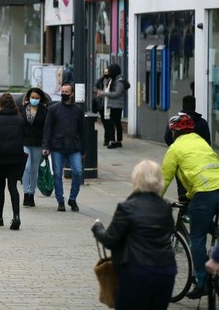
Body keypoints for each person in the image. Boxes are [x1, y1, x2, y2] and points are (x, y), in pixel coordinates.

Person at [92, 160, 176, 309]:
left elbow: (110, 240)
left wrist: (97, 227)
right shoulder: (165, 207)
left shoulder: (126, 208)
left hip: (136, 271)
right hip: (165, 270)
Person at [161, 113, 219, 299]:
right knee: (204, 221)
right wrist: (188, 195)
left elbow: (163, 179)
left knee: (197, 236)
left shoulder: (175, 149)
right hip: (214, 187)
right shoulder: (201, 141)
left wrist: (150, 201)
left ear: (175, 131)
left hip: (205, 192)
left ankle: (202, 282)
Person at [0, 93, 25, 230]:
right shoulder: (20, 119)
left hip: (1, 158)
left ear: (0, 104)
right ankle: (16, 216)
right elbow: (24, 136)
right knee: (13, 187)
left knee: (0, 186)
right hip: (16, 157)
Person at [42, 83, 84, 212]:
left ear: (72, 94)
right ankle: (60, 200)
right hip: (57, 146)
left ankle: (72, 199)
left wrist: (84, 149)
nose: (64, 94)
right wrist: (46, 146)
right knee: (58, 174)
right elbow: (47, 128)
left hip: (74, 146)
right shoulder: (54, 109)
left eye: (67, 92)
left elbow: (82, 130)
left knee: (78, 172)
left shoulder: (78, 110)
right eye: (62, 91)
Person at [20, 88, 49, 207]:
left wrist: (46, 145)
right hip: (24, 142)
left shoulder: (44, 111)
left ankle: (32, 193)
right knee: (26, 167)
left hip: (38, 143)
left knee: (34, 169)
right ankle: (26, 192)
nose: (34, 100)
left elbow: (47, 128)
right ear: (28, 97)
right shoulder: (23, 108)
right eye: (32, 98)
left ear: (40, 99)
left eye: (37, 98)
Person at [97, 63, 126, 149]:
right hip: (111, 104)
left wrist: (104, 94)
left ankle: (117, 141)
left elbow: (117, 93)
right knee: (112, 123)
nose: (108, 73)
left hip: (116, 105)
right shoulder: (112, 79)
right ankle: (113, 140)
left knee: (116, 123)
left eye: (110, 71)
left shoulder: (119, 81)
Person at [92, 68, 112, 145]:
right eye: (105, 73)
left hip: (109, 103)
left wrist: (105, 93)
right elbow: (94, 88)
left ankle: (108, 138)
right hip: (101, 104)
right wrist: (98, 91)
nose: (106, 74)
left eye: (107, 73)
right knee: (104, 121)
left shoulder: (111, 81)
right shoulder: (100, 80)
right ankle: (107, 138)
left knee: (108, 122)